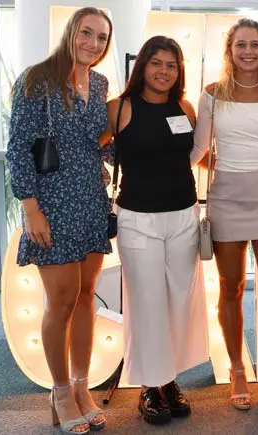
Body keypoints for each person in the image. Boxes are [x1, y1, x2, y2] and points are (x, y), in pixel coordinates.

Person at [6, 7, 113, 434]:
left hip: (90, 199)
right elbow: (18, 149)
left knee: (87, 295)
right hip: (51, 203)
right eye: (86, 33)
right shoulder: (37, 80)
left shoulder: (101, 82)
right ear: (71, 33)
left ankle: (83, 385)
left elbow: (96, 143)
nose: (93, 43)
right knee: (62, 300)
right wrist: (30, 208)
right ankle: (60, 390)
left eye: (101, 38)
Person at [190, 18, 258, 419]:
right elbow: (200, 148)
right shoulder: (212, 95)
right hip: (226, 197)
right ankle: (237, 370)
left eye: (255, 44)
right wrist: (157, 173)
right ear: (230, 50)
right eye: (241, 45)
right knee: (231, 289)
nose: (248, 51)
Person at [101, 36, 208, 425]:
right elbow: (88, 149)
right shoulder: (121, 108)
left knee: (180, 300)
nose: (164, 71)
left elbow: (199, 156)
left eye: (172, 65)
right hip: (138, 219)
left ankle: (169, 380)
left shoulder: (186, 108)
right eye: (156, 63)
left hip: (183, 215)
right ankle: (149, 385)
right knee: (146, 302)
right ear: (142, 66)